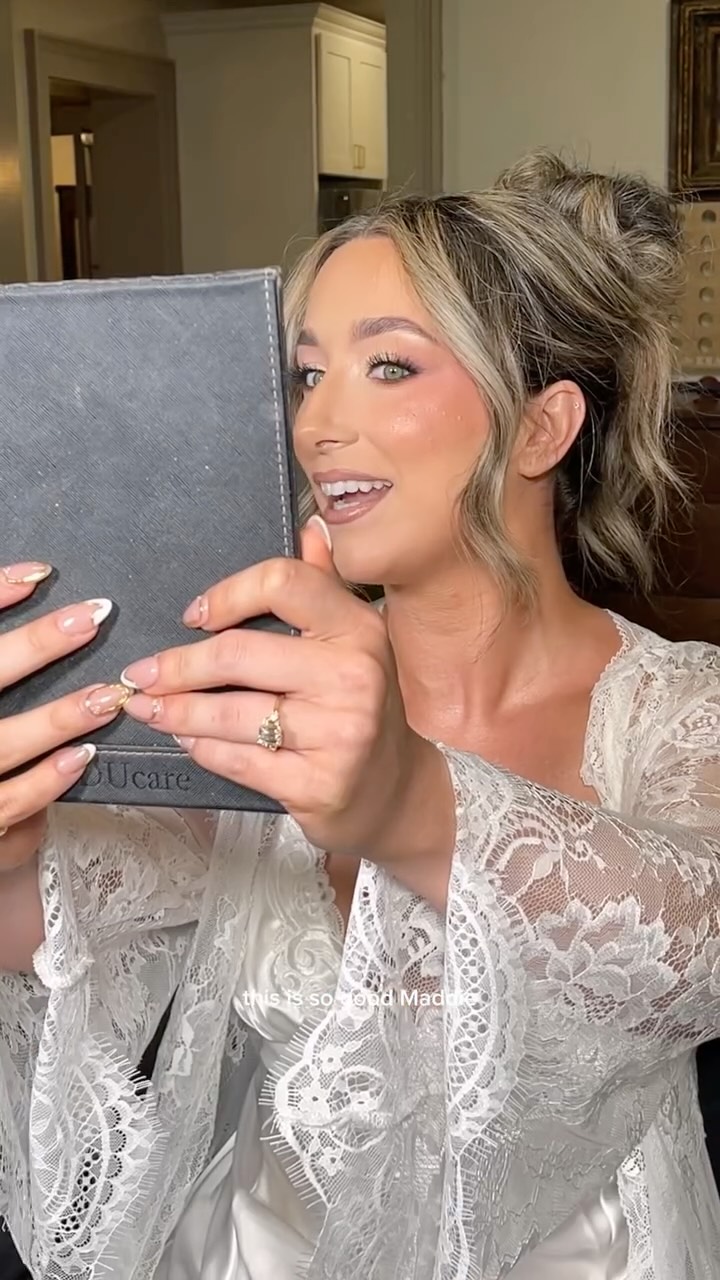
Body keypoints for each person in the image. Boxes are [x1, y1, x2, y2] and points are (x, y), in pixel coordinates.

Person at [0, 151, 718, 1280]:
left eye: (389, 365)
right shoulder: (257, 693)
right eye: (304, 375)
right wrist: (10, 843)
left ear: (543, 428)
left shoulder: (682, 708)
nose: (316, 425)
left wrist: (412, 800)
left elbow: (699, 945)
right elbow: (75, 933)